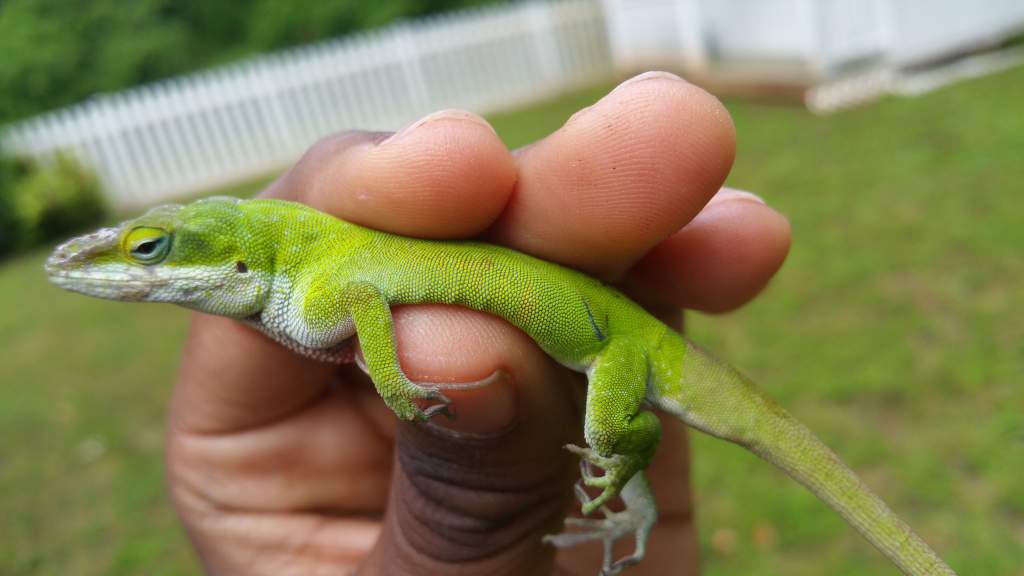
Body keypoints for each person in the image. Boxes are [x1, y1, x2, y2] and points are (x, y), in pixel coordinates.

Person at [169, 71, 791, 575]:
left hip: (620, 346)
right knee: (606, 433)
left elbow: (363, 300)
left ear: (235, 255)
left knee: (612, 434)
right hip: (614, 335)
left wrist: (391, 381)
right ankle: (638, 511)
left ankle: (634, 493)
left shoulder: (326, 279)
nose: (138, 266)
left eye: (149, 251)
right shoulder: (315, 265)